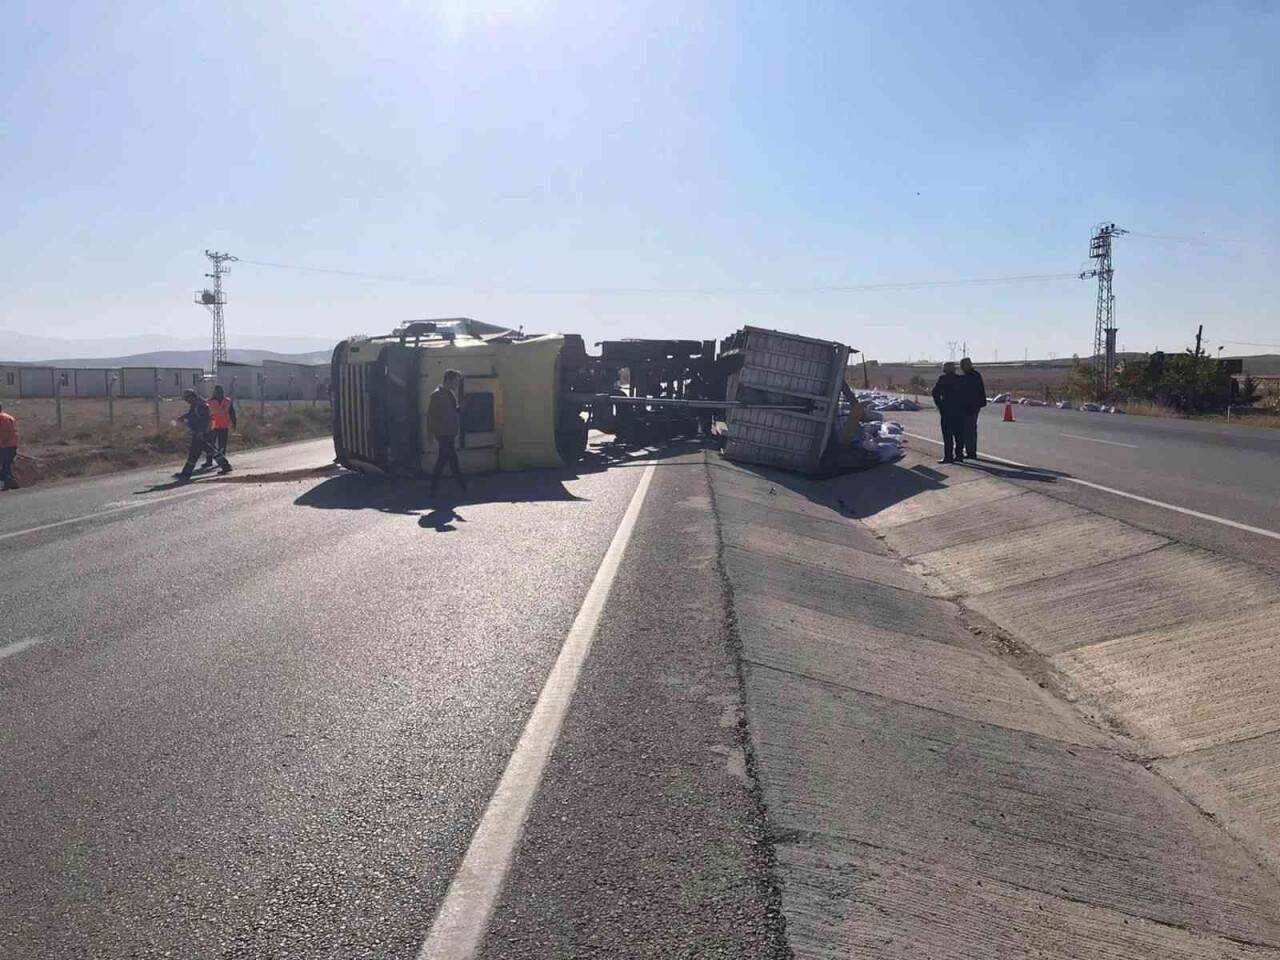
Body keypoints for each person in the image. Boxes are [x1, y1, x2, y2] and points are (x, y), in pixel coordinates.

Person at [174, 389, 230, 480]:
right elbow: (192, 414)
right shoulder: (195, 404)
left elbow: (205, 419)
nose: (186, 401)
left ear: (192, 396)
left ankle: (186, 473)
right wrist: (184, 417)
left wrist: (200, 432)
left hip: (203, 432)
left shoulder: (201, 405)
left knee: (195, 452)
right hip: (201, 432)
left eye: (187, 398)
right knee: (209, 450)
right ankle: (225, 465)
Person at [426, 369, 466, 496]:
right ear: (449, 380)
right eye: (456, 381)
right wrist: (430, 434)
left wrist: (462, 407)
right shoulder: (437, 395)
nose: (457, 384)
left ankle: (434, 487)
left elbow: (452, 411)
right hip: (443, 433)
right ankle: (462, 486)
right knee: (450, 460)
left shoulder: (449, 394)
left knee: (445, 459)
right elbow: (431, 415)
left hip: (449, 432)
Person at [930, 362, 967, 464]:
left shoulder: (943, 379)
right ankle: (959, 455)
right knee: (959, 435)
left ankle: (948, 456)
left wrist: (940, 405)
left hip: (947, 410)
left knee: (948, 435)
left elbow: (935, 393)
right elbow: (967, 395)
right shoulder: (961, 379)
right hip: (959, 410)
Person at [958, 357, 987, 461]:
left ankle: (971, 452)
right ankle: (970, 450)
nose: (961, 367)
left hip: (971, 406)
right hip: (973, 406)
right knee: (970, 429)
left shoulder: (971, 376)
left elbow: (971, 393)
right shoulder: (973, 375)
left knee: (969, 429)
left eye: (962, 365)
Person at [203, 385, 237, 468]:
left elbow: (232, 413)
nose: (219, 393)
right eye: (217, 391)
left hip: (224, 425)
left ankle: (221, 461)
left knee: (222, 445)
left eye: (220, 391)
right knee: (211, 445)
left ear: (222, 392)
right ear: (214, 392)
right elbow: (205, 414)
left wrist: (234, 423)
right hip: (213, 426)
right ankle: (209, 461)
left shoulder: (227, 401)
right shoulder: (210, 401)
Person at [0, 402, 19, 491]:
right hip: (12, 445)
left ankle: (9, 482)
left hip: (4, 446)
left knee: (5, 466)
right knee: (6, 466)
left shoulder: (2, 418)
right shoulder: (9, 417)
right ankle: (11, 483)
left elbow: (4, 434)